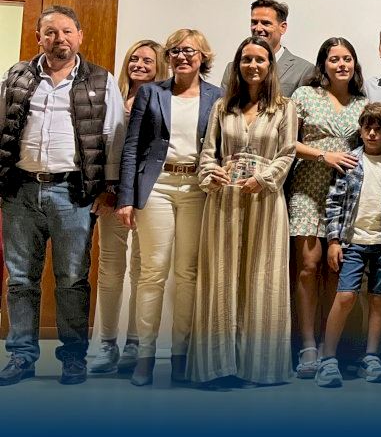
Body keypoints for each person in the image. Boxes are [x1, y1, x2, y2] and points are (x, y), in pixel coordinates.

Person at [0, 5, 124, 387]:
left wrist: (110, 189)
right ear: (39, 37)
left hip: (72, 193)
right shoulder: (16, 76)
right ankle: (21, 357)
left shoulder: (100, 80)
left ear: (80, 36)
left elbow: (113, 137)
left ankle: (73, 358)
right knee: (21, 278)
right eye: (51, 32)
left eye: (68, 31)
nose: (60, 39)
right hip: (20, 190)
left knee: (72, 278)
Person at [187, 36, 298, 386]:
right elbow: (208, 152)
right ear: (237, 65)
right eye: (246, 60)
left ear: (270, 65)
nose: (253, 66)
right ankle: (218, 365)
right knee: (221, 277)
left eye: (260, 60)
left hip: (265, 200)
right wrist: (211, 173)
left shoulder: (285, 108)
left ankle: (259, 367)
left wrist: (263, 179)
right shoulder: (223, 107)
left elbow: (288, 152)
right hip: (224, 200)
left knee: (262, 278)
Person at [115, 29, 222, 386]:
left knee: (188, 274)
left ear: (203, 56)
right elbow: (132, 147)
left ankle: (180, 356)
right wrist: (126, 198)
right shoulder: (151, 92)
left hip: (197, 189)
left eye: (189, 51)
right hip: (156, 187)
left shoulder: (217, 96)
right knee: (152, 272)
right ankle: (145, 356)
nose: (182, 56)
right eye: (175, 50)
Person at [288, 37, 368, 379]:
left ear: (354, 64)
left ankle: (329, 346)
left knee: (336, 269)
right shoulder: (305, 96)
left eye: (347, 58)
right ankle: (307, 344)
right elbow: (286, 140)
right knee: (308, 266)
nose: (341, 64)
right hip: (306, 187)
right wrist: (324, 155)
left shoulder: (363, 103)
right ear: (323, 64)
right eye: (334, 59)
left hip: (344, 195)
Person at [91, 39, 168, 375]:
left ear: (159, 67)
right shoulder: (111, 97)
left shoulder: (164, 101)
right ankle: (107, 343)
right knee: (110, 269)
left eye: (148, 61)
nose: (139, 64)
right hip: (111, 195)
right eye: (134, 58)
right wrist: (106, 189)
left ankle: (135, 343)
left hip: (147, 194)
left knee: (142, 268)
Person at [316, 103, 381, 388]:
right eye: (368, 128)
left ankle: (371, 357)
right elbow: (334, 202)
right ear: (361, 130)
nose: (372, 134)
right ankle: (328, 358)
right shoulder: (350, 161)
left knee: (378, 299)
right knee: (345, 297)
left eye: (379, 129)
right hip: (352, 242)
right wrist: (333, 241)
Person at [221, 0, 315, 97]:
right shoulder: (232, 68)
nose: (258, 28)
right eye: (254, 22)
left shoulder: (304, 70)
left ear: (282, 27)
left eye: (266, 23)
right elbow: (225, 104)